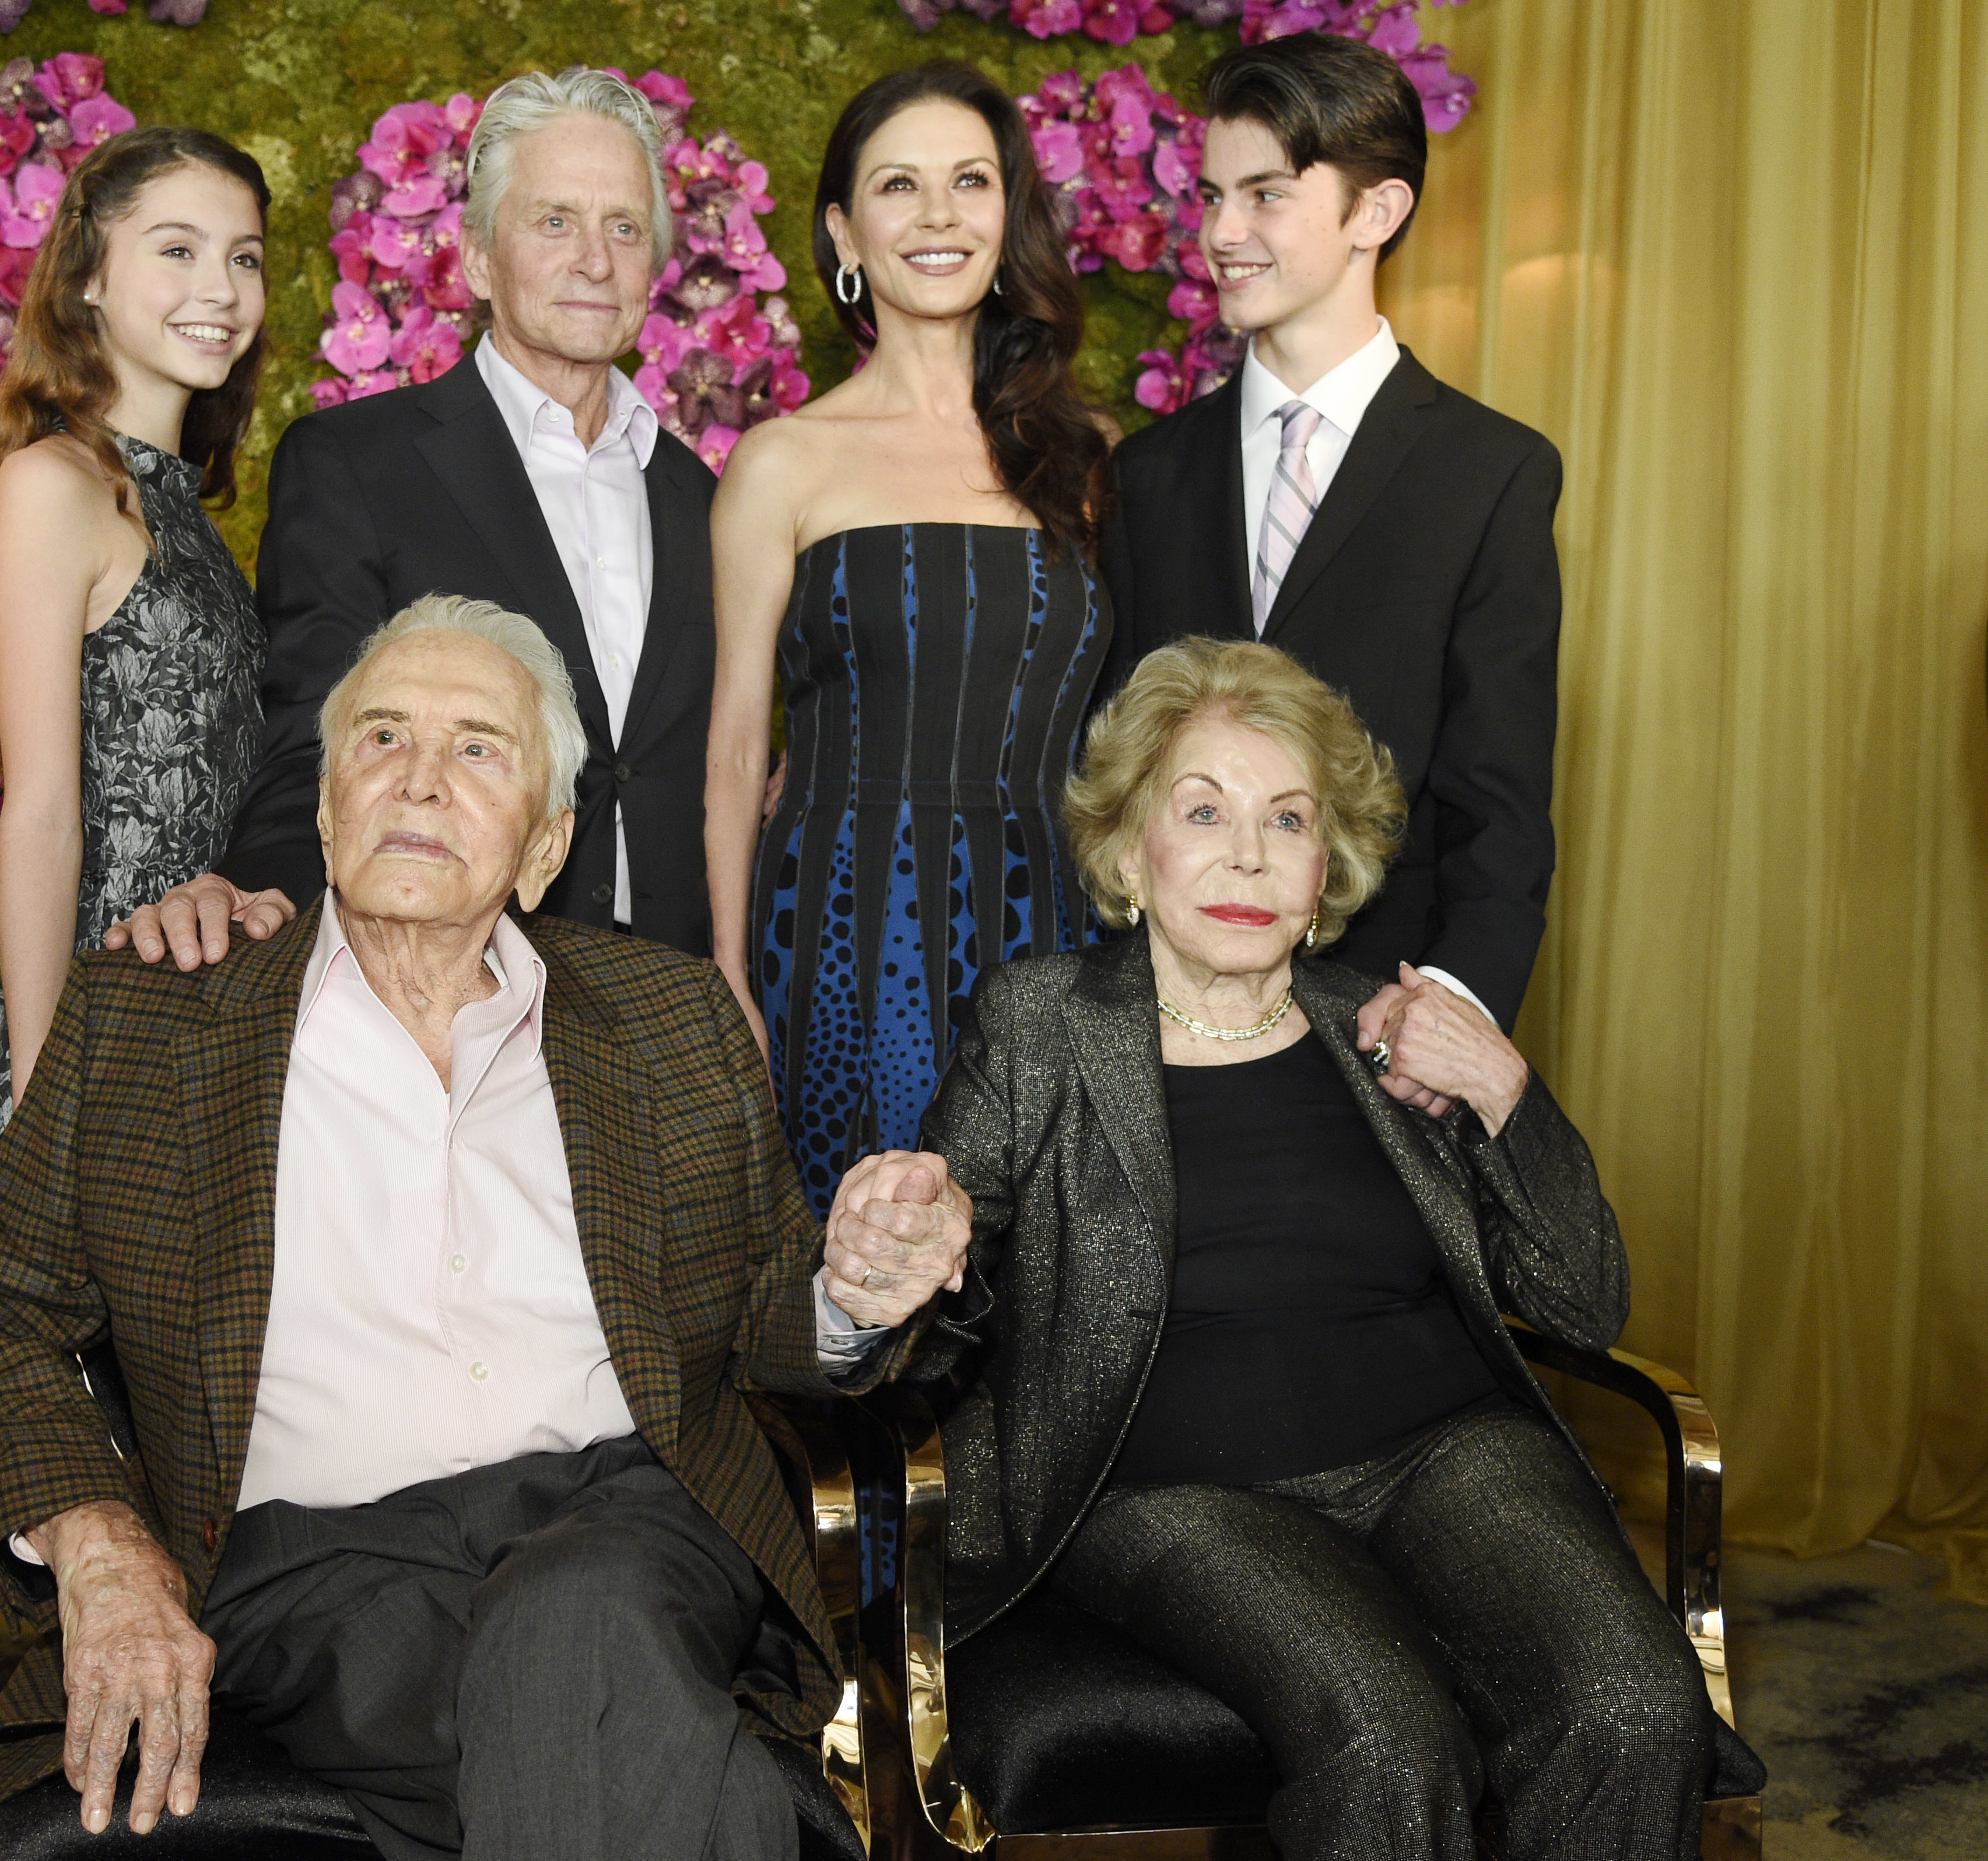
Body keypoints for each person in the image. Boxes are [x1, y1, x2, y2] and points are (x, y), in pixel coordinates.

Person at [0, 595, 977, 1861]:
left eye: (478, 751)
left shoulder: (668, 1020)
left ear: (544, 843)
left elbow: (762, 1326)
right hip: (317, 1574)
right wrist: (97, 1542)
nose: (418, 779)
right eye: (382, 739)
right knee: (607, 1725)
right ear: (323, 811)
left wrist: (851, 1292)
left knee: (582, 1616)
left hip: (629, 1516)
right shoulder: (154, 1026)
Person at [916, 637, 1744, 1860]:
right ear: (1128, 849)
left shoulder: (1384, 1033)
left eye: (1285, 821)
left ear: (1324, 871)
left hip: (1442, 1456)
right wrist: (896, 1260)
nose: (1246, 854)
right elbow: (932, 1298)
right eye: (1202, 811)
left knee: (1632, 1705)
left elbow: (1581, 1301)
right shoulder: (1038, 1026)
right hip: (1171, 1490)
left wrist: (1507, 1092)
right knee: (1382, 1735)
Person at [132, 66, 721, 969]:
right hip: (445, 996)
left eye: (625, 228)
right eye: (554, 221)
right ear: (480, 257)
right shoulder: (356, 466)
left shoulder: (702, 497)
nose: (594, 260)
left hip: (671, 997)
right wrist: (254, 889)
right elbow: (309, 742)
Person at [703, 61, 1114, 1217]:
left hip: (1050, 933)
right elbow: (737, 746)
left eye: (969, 182)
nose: (936, 217)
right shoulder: (782, 461)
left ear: (1007, 214)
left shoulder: (1078, 459)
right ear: (843, 227)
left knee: (1041, 1274)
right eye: (897, 185)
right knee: (867, 1282)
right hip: (843, 927)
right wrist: (732, 972)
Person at [1095, 32, 1562, 1034]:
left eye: (1265, 194)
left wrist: (1449, 1009)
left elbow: (1500, 801)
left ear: (1378, 211)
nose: (1223, 231)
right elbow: (1118, 775)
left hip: (1388, 1016)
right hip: (1167, 1017)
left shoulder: (1492, 472)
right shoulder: (1148, 474)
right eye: (1212, 196)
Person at [0, 126, 271, 1177]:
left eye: (245, 256)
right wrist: (42, 1102)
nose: (219, 286)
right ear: (87, 276)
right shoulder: (56, 484)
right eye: (176, 249)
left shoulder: (189, 512)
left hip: (212, 1030)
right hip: (106, 1043)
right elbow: (38, 814)